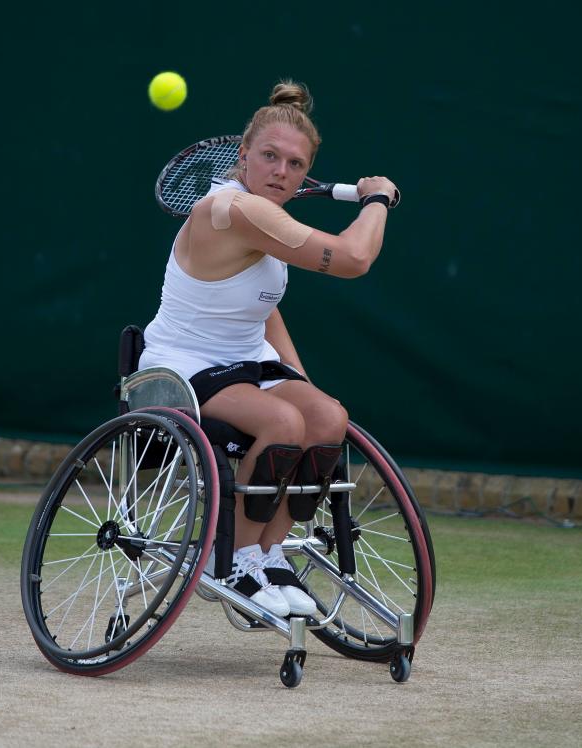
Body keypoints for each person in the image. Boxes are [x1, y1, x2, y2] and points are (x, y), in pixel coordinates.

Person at [138, 80, 397, 617]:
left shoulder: (263, 217)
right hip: (182, 366)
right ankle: (226, 556)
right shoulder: (237, 211)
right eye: (270, 157)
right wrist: (377, 200)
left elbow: (261, 308)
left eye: (296, 164)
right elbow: (353, 258)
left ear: (306, 173)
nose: (281, 171)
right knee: (283, 424)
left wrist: (299, 380)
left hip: (246, 363)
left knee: (327, 418)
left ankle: (267, 551)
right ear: (244, 158)